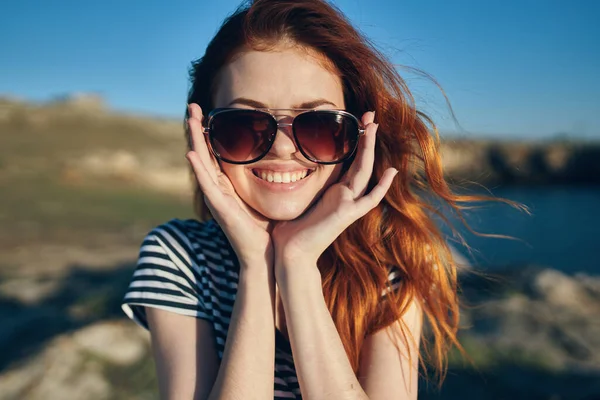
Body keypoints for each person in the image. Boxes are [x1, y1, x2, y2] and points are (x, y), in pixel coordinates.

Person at [121, 0, 472, 398]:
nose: (284, 148)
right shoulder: (179, 256)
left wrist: (298, 265)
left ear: (357, 136)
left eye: (320, 124)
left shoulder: (387, 267)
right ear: (205, 136)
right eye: (244, 124)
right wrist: (256, 264)